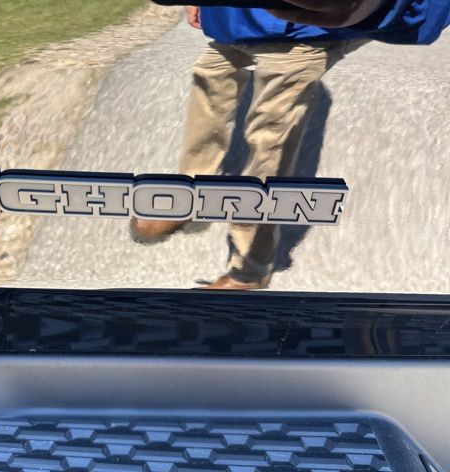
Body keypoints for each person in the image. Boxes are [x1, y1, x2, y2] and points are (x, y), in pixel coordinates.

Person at [131, 0, 450, 290]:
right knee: (209, 82)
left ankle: (250, 270)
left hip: (300, 33)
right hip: (231, 22)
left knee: (270, 142)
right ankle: (188, 196)